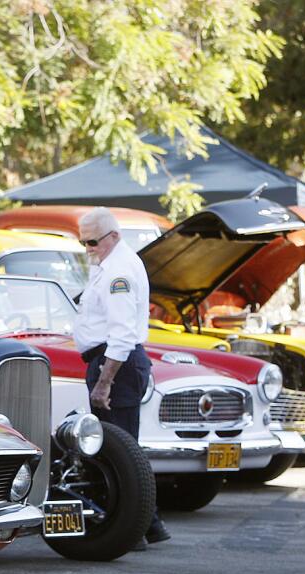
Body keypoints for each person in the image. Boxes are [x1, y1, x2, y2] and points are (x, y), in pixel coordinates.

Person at [75, 207, 169, 546]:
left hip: (116, 364)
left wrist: (104, 381)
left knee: (120, 451)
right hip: (112, 362)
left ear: (113, 236)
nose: (88, 248)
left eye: (93, 241)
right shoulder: (109, 265)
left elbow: (122, 334)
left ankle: (134, 529)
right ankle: (149, 525)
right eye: (83, 241)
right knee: (120, 449)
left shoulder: (119, 271)